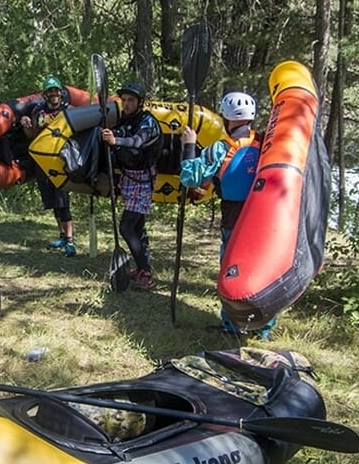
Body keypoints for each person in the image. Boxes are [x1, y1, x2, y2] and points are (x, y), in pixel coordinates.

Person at [179, 91, 276, 340]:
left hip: (234, 220)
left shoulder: (220, 148)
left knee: (232, 271)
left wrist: (189, 145)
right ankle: (263, 328)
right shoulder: (267, 143)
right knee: (262, 271)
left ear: (226, 117)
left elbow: (190, 177)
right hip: (264, 220)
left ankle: (232, 326)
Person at [101, 82, 162, 290]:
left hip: (143, 179)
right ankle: (143, 269)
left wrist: (115, 140)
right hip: (130, 177)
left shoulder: (147, 122)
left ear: (140, 102)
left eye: (131, 100)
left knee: (126, 227)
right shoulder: (126, 120)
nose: (126, 104)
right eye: (124, 100)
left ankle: (146, 274)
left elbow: (137, 141)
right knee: (137, 227)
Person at [20, 76, 77, 257]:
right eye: (50, 91)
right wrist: (26, 126)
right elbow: (31, 136)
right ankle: (61, 234)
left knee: (63, 201)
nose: (54, 94)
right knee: (51, 201)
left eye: (56, 90)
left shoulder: (69, 111)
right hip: (42, 161)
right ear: (45, 94)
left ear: (61, 93)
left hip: (61, 161)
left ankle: (70, 240)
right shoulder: (39, 112)